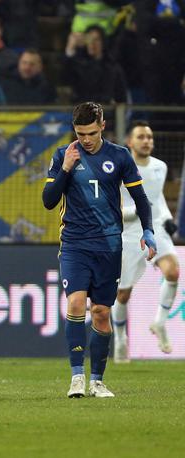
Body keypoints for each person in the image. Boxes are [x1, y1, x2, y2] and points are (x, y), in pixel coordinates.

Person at [42, 102, 157, 398]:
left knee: (102, 313)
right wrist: (66, 169)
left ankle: (97, 380)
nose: (85, 139)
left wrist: (148, 230)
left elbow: (140, 198)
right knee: (76, 304)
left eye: (91, 133)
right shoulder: (63, 156)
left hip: (108, 245)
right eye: (80, 133)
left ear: (103, 126)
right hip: (75, 244)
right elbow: (49, 200)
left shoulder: (119, 156)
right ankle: (77, 377)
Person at [113, 121, 179, 362]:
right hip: (129, 234)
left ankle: (160, 323)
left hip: (155, 229)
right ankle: (120, 338)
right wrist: (136, 213)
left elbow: (157, 197)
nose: (147, 141)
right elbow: (112, 209)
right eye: (141, 137)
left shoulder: (160, 167)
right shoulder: (118, 170)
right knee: (122, 295)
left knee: (172, 271)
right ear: (130, 142)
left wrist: (168, 218)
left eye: (150, 137)